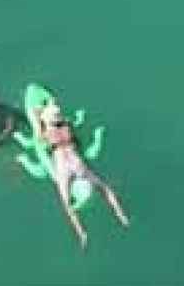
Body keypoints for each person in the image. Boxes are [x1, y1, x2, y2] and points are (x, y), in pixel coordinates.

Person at [32, 99, 131, 249]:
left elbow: (38, 134)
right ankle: (120, 215)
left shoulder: (46, 132)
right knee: (104, 187)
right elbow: (77, 141)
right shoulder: (67, 125)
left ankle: (82, 233)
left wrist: (39, 117)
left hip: (62, 166)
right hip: (76, 161)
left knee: (67, 204)